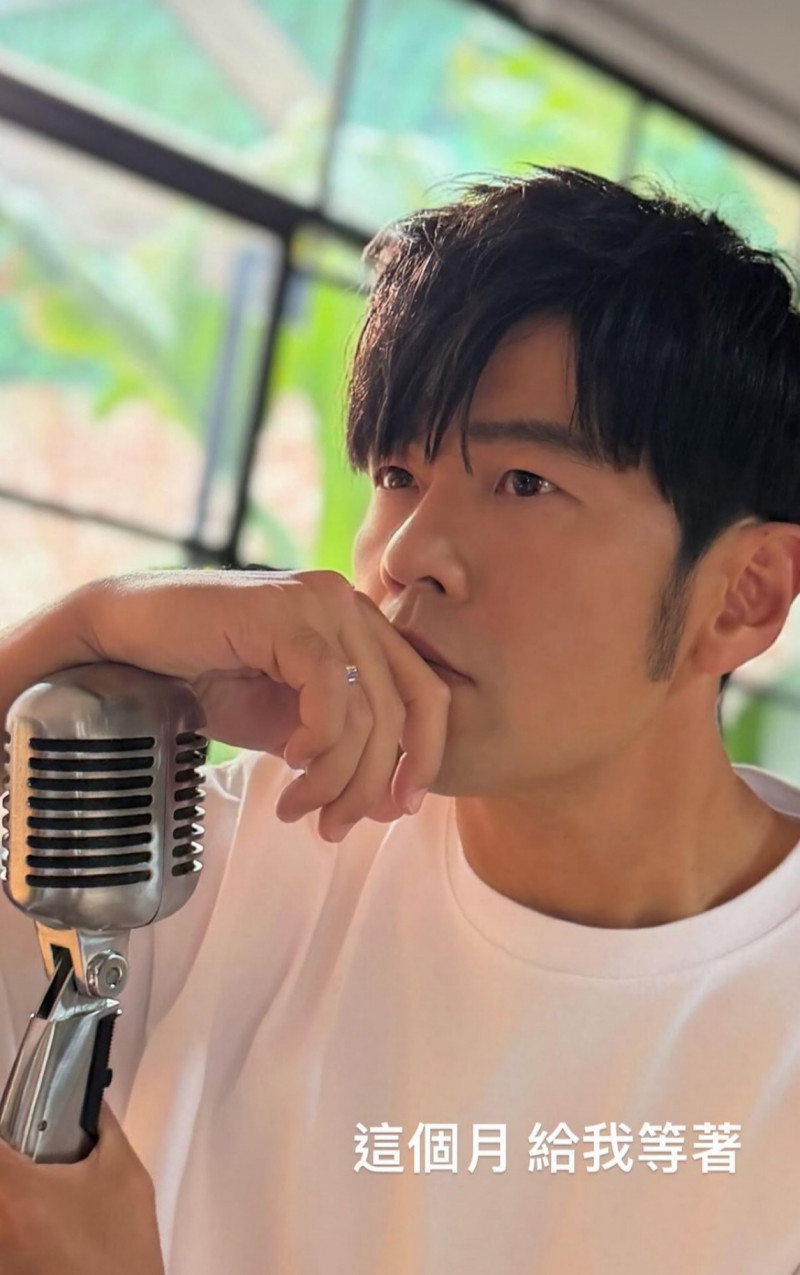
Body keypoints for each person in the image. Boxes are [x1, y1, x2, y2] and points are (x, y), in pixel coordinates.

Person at [0, 164, 799, 1274]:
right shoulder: (192, 865)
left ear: (743, 595)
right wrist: (87, 629)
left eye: (523, 481)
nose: (411, 553)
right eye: (396, 472)